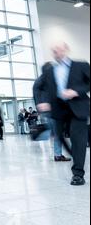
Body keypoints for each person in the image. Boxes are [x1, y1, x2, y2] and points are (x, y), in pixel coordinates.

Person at [34, 42, 90, 186]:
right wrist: (41, 101)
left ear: (66, 50)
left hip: (78, 107)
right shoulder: (49, 71)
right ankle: (78, 155)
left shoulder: (81, 65)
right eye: (53, 50)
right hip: (58, 109)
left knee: (78, 140)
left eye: (58, 49)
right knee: (59, 136)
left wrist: (76, 91)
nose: (56, 52)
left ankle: (78, 174)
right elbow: (38, 87)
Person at [34, 62, 71, 162]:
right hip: (50, 110)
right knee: (58, 133)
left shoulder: (44, 79)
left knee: (57, 133)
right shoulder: (44, 79)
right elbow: (37, 92)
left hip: (50, 110)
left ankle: (58, 153)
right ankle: (58, 154)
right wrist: (41, 103)